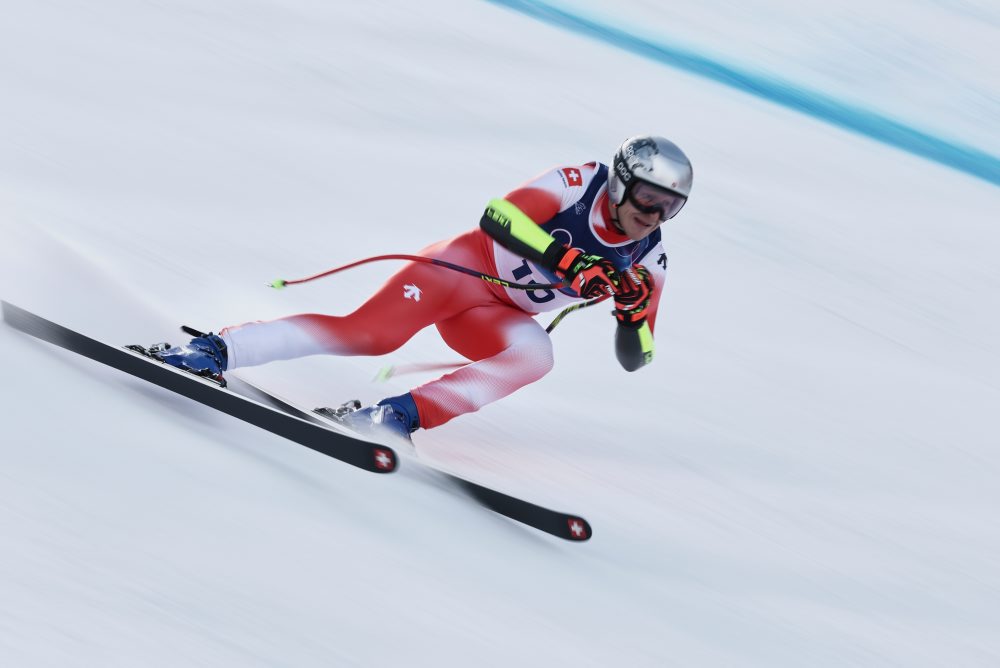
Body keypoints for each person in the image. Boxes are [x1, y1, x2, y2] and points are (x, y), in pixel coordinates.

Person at [152, 135, 693, 442]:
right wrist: (566, 258)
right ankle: (215, 349)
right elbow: (497, 217)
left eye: (670, 206)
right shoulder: (580, 182)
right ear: (622, 182)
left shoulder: (650, 256)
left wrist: (630, 315)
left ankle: (397, 416)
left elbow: (636, 359)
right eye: (648, 198)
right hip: (461, 271)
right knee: (369, 335)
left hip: (493, 317)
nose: (654, 215)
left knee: (537, 355)